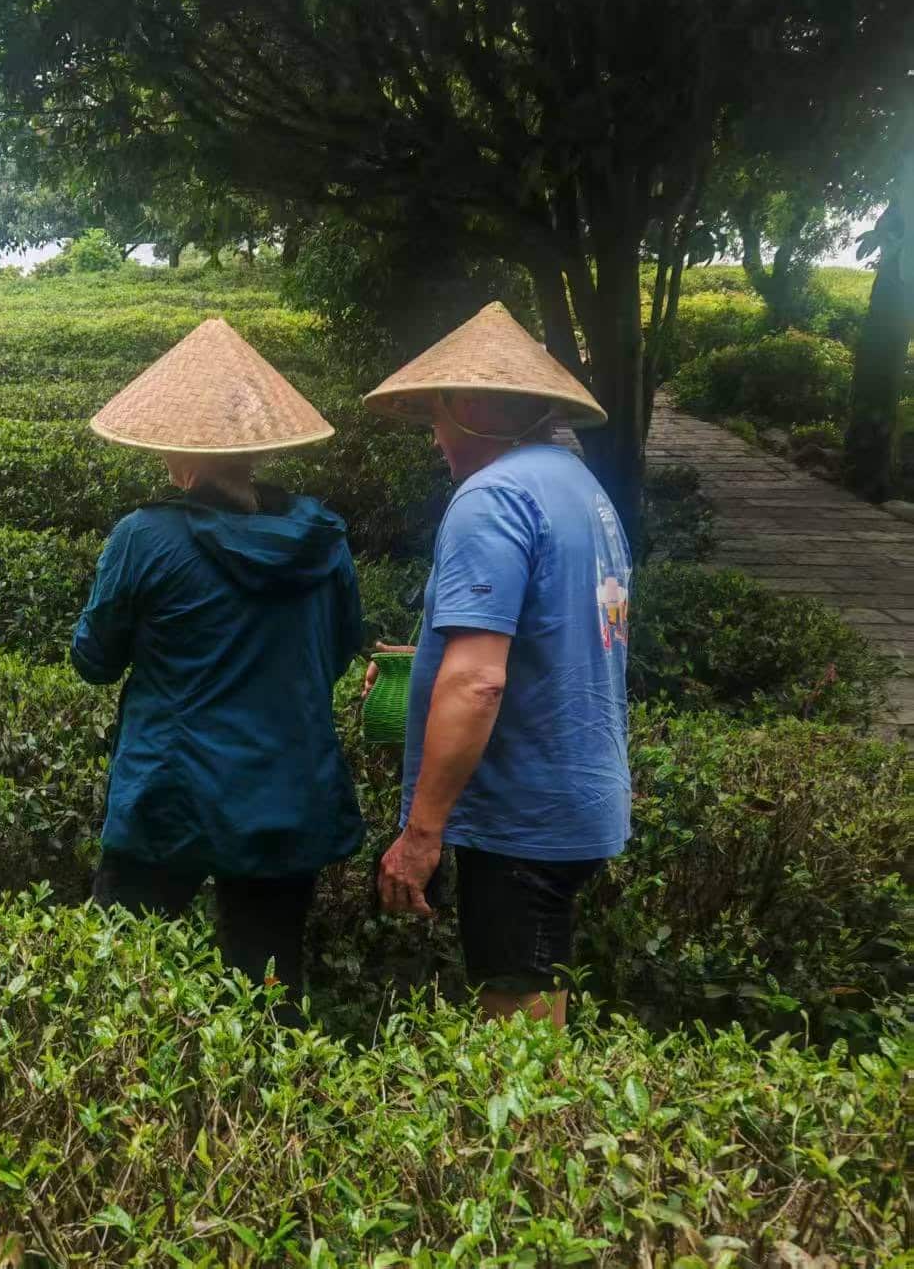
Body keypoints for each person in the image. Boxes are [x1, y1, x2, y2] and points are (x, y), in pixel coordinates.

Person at [72, 318, 367, 1023]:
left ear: (180, 458)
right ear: (258, 451)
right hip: (285, 795)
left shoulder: (144, 536)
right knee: (271, 992)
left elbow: (93, 659)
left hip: (168, 795)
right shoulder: (323, 539)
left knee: (115, 984)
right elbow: (338, 650)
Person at [362, 302, 632, 1027]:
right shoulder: (579, 487)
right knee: (535, 1000)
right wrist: (424, 661)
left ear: (476, 407)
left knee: (520, 1048)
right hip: (577, 798)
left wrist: (421, 834)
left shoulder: (491, 498)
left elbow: (479, 679)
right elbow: (547, 635)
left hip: (521, 815)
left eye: (439, 416)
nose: (436, 437)